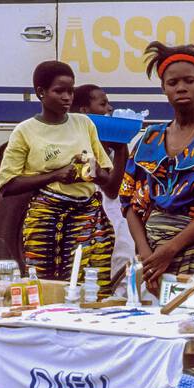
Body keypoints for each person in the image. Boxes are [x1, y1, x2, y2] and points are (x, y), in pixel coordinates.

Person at [121, 42, 194, 293]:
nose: (182, 88)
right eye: (173, 83)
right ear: (164, 88)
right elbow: (129, 202)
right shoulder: (149, 138)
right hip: (153, 257)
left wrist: (170, 250)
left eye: (189, 80)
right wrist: (147, 256)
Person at [0, 60, 117, 292]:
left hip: (88, 214)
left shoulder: (85, 124)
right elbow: (7, 185)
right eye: (59, 91)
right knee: (46, 286)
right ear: (41, 92)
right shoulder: (25, 131)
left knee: (91, 285)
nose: (67, 97)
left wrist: (93, 171)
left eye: (70, 90)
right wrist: (56, 175)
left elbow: (110, 181)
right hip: (46, 217)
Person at [72, 82, 135, 287]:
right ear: (84, 111)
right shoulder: (84, 145)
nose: (109, 109)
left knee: (121, 270)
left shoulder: (103, 144)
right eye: (103, 104)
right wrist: (121, 148)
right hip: (98, 220)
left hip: (113, 217)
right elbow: (111, 188)